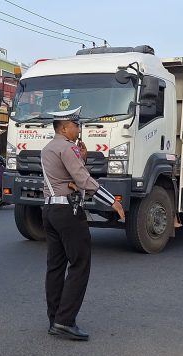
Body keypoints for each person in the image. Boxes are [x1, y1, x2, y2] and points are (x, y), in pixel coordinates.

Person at [41, 107, 125, 341]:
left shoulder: (49, 148)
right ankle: (65, 321)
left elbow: (62, 177)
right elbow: (83, 180)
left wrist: (82, 158)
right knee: (80, 264)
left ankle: (54, 319)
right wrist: (112, 202)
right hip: (68, 211)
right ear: (65, 127)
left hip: (49, 210)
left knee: (55, 267)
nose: (79, 129)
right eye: (76, 125)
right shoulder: (68, 148)